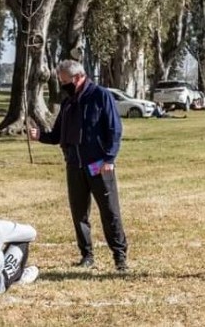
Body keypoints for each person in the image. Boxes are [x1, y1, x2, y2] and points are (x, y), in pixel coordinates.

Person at [29, 59, 129, 271]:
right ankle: (86, 255)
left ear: (77, 77)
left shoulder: (100, 96)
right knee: (79, 213)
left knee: (110, 212)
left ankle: (119, 256)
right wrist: (40, 136)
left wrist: (109, 159)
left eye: (63, 80)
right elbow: (57, 135)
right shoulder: (68, 102)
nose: (61, 84)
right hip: (74, 165)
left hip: (99, 165)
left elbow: (115, 129)